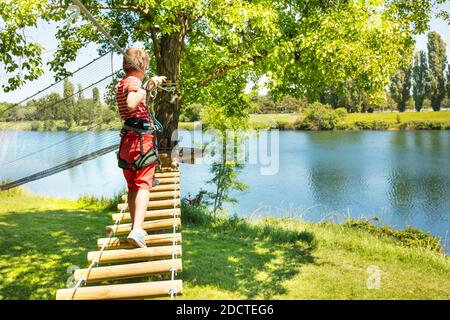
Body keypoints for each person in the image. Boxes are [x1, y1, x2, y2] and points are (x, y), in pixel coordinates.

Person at [115, 47, 166, 248]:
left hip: (127, 142)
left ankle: (136, 226)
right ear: (143, 66)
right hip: (140, 142)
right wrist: (148, 85)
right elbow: (131, 103)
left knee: (132, 186)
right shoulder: (136, 82)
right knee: (144, 183)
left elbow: (131, 104)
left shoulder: (122, 83)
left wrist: (148, 88)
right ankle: (137, 230)